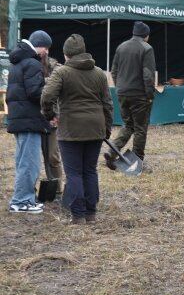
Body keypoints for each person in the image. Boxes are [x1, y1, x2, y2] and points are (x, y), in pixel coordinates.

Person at [41, 34, 113, 224]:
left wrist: (50, 115)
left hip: (70, 128)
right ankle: (91, 213)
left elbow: (47, 96)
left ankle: (78, 215)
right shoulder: (99, 73)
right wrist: (106, 129)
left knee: (74, 173)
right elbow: (107, 104)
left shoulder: (61, 72)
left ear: (66, 54)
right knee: (90, 171)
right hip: (95, 127)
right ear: (83, 52)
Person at [7, 30, 51, 214]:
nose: (47, 53)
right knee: (30, 162)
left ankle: (24, 197)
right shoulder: (32, 63)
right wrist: (49, 92)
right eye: (46, 48)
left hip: (20, 118)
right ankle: (22, 200)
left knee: (23, 160)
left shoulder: (18, 61)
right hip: (29, 119)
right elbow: (35, 92)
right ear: (40, 45)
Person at [105, 21, 155, 169]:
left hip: (122, 92)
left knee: (128, 125)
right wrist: (150, 94)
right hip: (139, 95)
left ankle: (112, 150)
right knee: (140, 128)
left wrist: (119, 87)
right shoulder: (147, 48)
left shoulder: (121, 47)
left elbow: (113, 71)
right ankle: (137, 161)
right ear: (146, 36)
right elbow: (148, 75)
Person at [40, 51, 64, 195]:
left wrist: (57, 115)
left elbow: (61, 94)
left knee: (52, 156)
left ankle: (57, 189)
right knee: (34, 158)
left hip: (52, 117)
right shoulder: (30, 66)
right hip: (34, 118)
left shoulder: (57, 68)